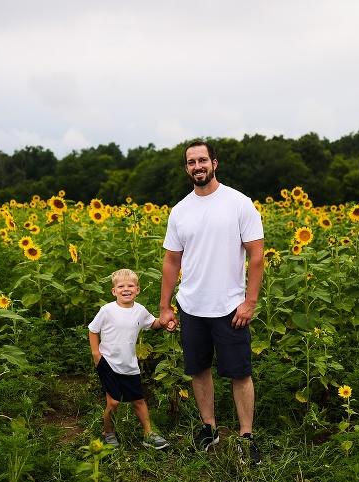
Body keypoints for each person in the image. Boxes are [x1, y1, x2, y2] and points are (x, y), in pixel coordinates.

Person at [159, 140, 264, 464]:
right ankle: (209, 427)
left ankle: (246, 436)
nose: (197, 166)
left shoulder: (238, 203)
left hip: (230, 307)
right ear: (186, 168)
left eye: (202, 160)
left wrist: (250, 301)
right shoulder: (180, 211)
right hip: (192, 306)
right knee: (198, 370)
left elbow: (257, 254)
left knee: (239, 373)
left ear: (214, 163)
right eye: (191, 162)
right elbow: (171, 261)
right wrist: (165, 306)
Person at [88, 268, 172, 450]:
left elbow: (153, 324)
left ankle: (148, 434)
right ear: (114, 291)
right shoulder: (107, 310)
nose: (126, 289)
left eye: (130, 286)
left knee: (139, 400)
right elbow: (93, 330)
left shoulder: (140, 311)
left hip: (129, 364)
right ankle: (108, 433)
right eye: (121, 286)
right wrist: (96, 353)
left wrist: (166, 321)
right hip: (108, 362)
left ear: (137, 290)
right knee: (114, 402)